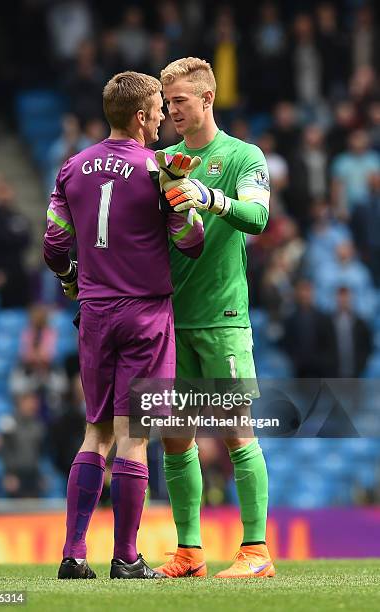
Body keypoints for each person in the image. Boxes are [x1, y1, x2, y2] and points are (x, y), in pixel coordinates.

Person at [43, 70, 204, 580]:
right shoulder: (160, 171)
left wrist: (72, 279)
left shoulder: (72, 168)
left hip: (94, 314)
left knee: (95, 432)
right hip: (146, 316)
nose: (163, 118)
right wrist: (184, 200)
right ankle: (127, 559)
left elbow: (53, 247)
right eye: (158, 109)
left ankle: (72, 556)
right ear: (140, 116)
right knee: (135, 435)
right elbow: (190, 243)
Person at [152, 57, 273, 578]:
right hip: (166, 321)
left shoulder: (243, 156)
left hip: (223, 317)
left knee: (235, 431)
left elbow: (259, 216)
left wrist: (211, 197)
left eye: (179, 100)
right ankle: (190, 551)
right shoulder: (161, 161)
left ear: (206, 100)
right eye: (166, 101)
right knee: (174, 435)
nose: (170, 110)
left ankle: (255, 552)